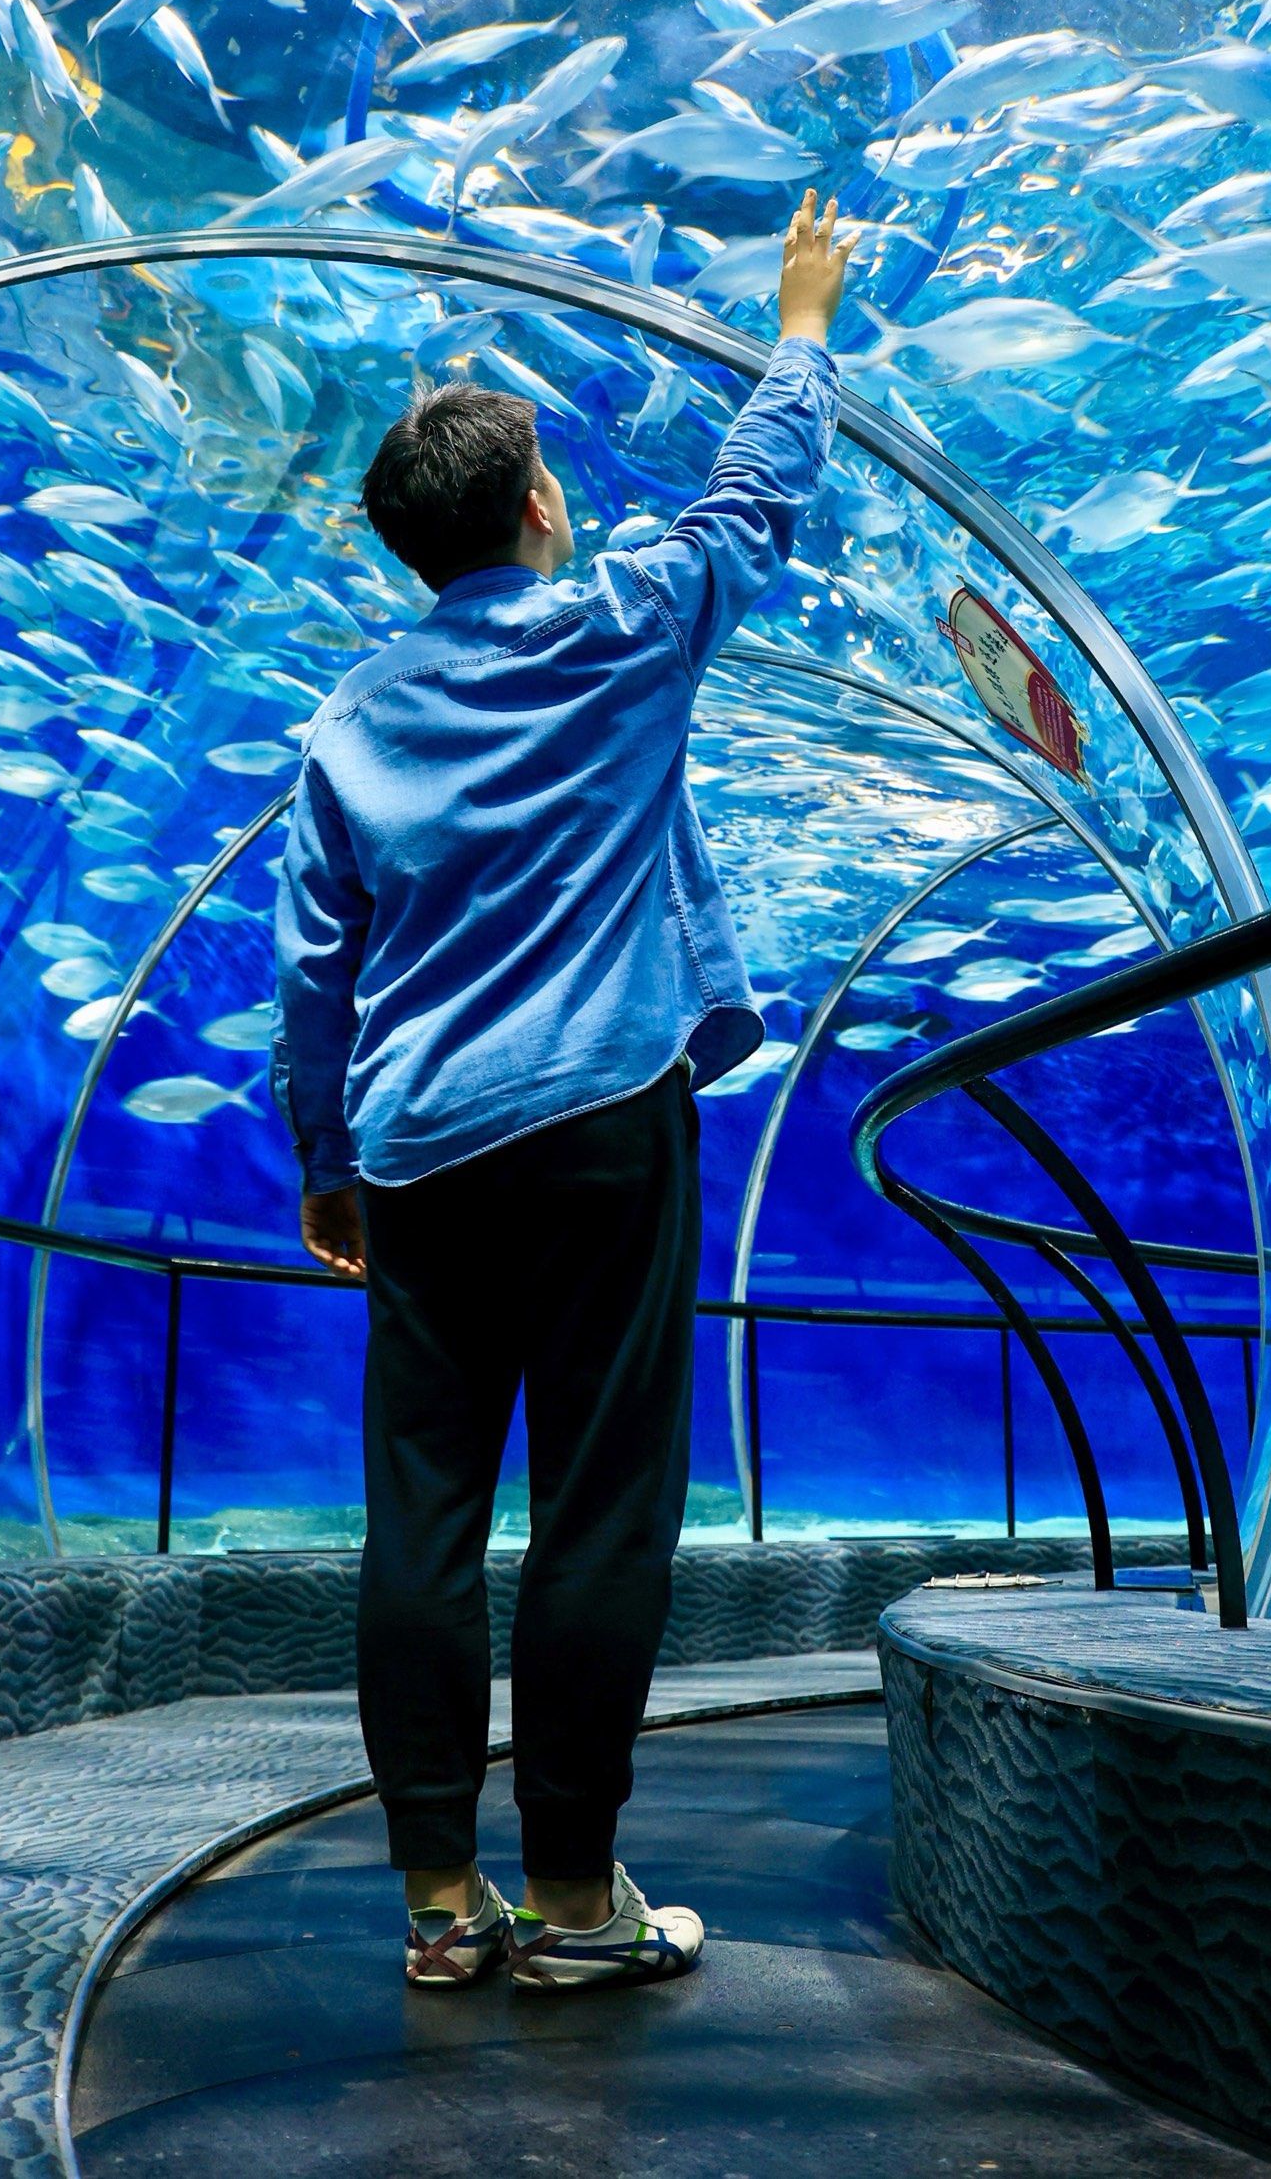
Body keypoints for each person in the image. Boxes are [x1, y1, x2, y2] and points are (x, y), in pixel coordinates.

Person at [271, 192, 852, 1994]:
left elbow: (313, 973)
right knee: (604, 1503)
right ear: (536, 508)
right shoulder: (616, 627)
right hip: (605, 1124)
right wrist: (804, 322)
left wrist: (325, 1164)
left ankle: (444, 1911)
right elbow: (752, 506)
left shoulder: (347, 722)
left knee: (424, 1512)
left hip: (424, 1151)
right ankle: (584, 1907)